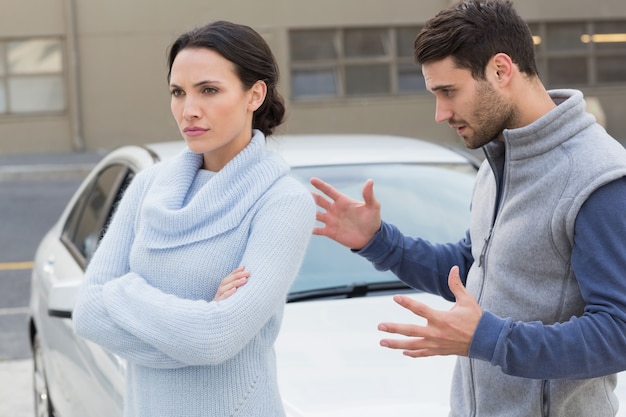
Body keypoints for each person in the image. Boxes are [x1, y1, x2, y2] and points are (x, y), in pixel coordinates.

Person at [310, 1, 626, 416]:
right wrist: (380, 242)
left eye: (449, 91)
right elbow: (474, 268)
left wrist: (489, 339)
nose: (441, 114)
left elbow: (618, 333)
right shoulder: (499, 157)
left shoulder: (597, 178)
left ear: (500, 70)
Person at [72, 20, 315, 417]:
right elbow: (87, 315)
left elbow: (216, 338)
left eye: (209, 90)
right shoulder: (150, 185)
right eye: (177, 92)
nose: (189, 110)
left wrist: (124, 291)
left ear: (254, 94)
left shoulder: (282, 201)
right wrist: (195, 327)